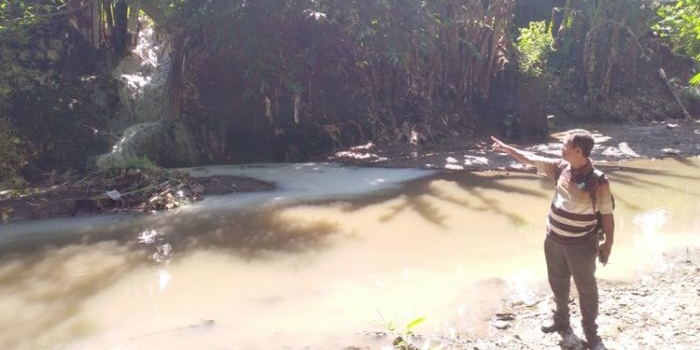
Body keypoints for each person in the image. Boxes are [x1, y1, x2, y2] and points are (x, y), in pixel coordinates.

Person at [490, 129, 614, 350]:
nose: (561, 148)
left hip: (582, 244)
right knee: (558, 283)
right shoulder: (560, 167)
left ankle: (592, 334)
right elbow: (530, 159)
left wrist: (608, 244)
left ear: (578, 151)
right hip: (553, 240)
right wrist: (507, 149)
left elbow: (607, 215)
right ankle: (560, 321)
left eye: (565, 145)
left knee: (587, 289)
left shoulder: (598, 181)